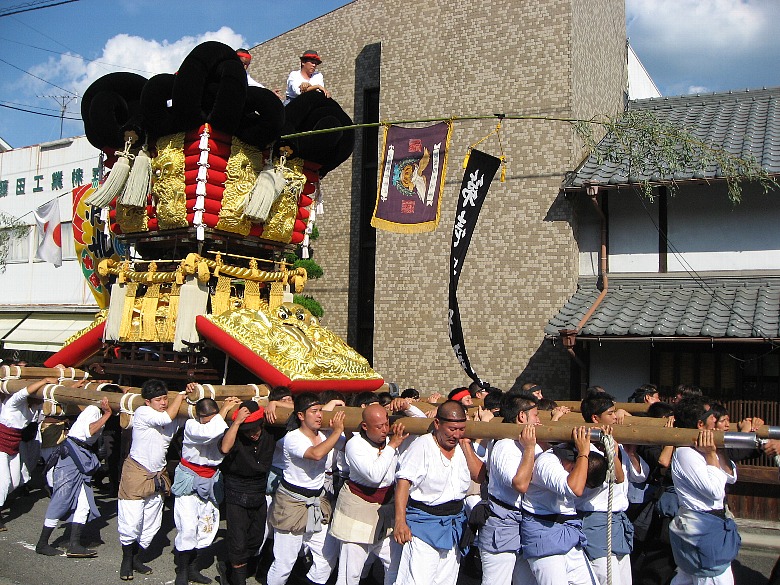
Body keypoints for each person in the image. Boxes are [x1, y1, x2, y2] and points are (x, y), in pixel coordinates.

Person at [393, 400, 486, 585]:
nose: (456, 434)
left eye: (461, 429)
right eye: (452, 429)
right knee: (417, 581)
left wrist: (465, 444)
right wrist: (400, 521)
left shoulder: (463, 445)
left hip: (454, 524)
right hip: (424, 524)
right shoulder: (422, 445)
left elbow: (478, 476)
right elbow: (403, 483)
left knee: (446, 580)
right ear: (437, 423)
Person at [266, 392, 345, 585]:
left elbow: (347, 445)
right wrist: (337, 431)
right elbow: (316, 454)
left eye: (321, 411)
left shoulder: (325, 434)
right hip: (292, 502)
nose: (319, 415)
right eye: (314, 411)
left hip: (317, 501)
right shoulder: (293, 438)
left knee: (327, 555)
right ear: (301, 415)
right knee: (284, 563)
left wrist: (345, 427)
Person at [117, 379, 188, 581]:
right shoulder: (142, 412)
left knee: (152, 522)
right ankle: (126, 560)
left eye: (165, 398)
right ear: (148, 402)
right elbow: (166, 417)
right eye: (158, 399)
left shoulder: (172, 415)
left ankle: (136, 558)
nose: (163, 402)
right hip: (136, 471)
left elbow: (186, 416)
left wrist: (190, 393)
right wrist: (179, 396)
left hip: (158, 473)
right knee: (131, 520)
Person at [330, 403, 409, 585]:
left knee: (395, 566)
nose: (385, 430)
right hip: (359, 508)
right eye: (379, 426)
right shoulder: (355, 444)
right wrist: (392, 445)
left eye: (387, 424)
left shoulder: (391, 439)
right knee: (350, 574)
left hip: (386, 509)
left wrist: (408, 407)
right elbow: (374, 476)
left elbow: (423, 421)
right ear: (365, 426)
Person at [668, 398, 740, 585]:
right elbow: (715, 491)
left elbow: (730, 477)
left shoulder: (704, 448)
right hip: (701, 528)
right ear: (700, 424)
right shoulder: (686, 453)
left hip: (710, 524)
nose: (716, 420)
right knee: (713, 577)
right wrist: (710, 455)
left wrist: (718, 452)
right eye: (712, 417)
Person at [579, 393, 648, 585]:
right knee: (607, 579)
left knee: (625, 579)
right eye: (610, 413)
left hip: (618, 519)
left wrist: (629, 452)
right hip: (596, 518)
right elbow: (618, 477)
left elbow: (639, 476)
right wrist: (611, 450)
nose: (616, 417)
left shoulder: (616, 443)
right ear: (595, 418)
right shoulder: (586, 448)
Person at [521, 427, 604, 585]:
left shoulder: (578, 454)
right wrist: (583, 453)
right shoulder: (547, 463)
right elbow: (575, 488)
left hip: (568, 532)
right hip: (544, 535)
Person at [35, 396, 113, 557]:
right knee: (61, 500)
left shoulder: (97, 412)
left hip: (82, 455)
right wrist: (107, 414)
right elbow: (90, 431)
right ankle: (42, 543)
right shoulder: (93, 410)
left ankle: (74, 544)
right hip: (72, 456)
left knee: (84, 504)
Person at [172, 394, 237, 585]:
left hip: (211, 477)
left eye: (212, 417)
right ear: (198, 416)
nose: (209, 421)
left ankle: (193, 567)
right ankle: (182, 570)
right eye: (206, 418)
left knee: (207, 526)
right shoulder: (192, 426)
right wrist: (224, 411)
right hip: (190, 477)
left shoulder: (220, 423)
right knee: (187, 526)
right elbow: (209, 432)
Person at [478, 394, 542, 585]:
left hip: (524, 523)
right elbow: (520, 484)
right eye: (535, 415)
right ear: (522, 416)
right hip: (502, 525)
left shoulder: (524, 441)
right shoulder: (505, 446)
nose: (539, 420)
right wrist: (530, 449)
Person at [218, 399, 276, 585]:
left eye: (255, 429)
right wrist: (236, 423)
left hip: (258, 491)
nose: (252, 434)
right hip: (236, 490)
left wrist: (274, 403)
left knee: (255, 539)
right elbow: (224, 448)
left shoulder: (269, 435)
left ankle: (228, 568)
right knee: (238, 541)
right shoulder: (235, 436)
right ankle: (238, 580)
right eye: (248, 430)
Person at [0, 376, 54, 530]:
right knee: (4, 482)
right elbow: (25, 391)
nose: (41, 400)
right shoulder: (14, 401)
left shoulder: (33, 407)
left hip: (13, 445)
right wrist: (44, 380)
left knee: (16, 481)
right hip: (1, 443)